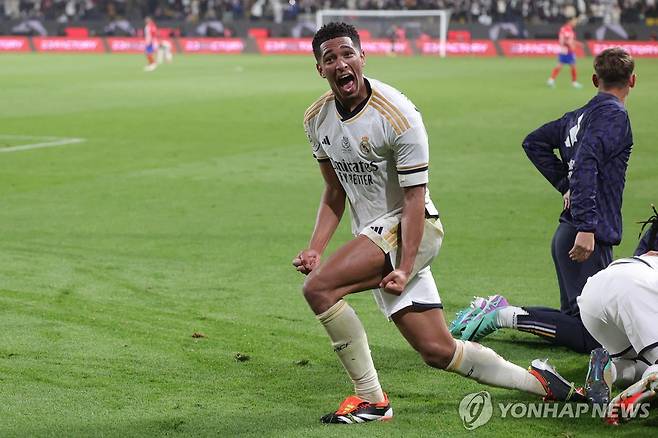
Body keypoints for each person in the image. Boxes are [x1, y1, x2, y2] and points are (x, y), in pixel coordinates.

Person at [294, 22, 583, 425]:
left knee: (319, 289)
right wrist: (315, 247)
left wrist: (405, 265)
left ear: (362, 58)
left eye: (347, 54)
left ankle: (371, 400)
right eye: (330, 58)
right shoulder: (316, 119)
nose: (340, 63)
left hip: (414, 229)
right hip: (375, 237)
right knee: (437, 350)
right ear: (319, 69)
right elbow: (334, 192)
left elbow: (414, 198)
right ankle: (543, 384)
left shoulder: (398, 115)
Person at [452, 47, 636, 355]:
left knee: (578, 322)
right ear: (632, 81)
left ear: (594, 79)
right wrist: (587, 225)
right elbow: (587, 160)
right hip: (584, 235)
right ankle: (500, 315)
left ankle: (497, 311)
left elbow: (534, 142)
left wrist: (566, 185)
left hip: (572, 232)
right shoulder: (614, 116)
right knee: (592, 336)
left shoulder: (579, 116)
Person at [547, 16, 582, 89]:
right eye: (574, 21)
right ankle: (574, 82)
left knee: (561, 65)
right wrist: (570, 45)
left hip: (565, 50)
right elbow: (565, 40)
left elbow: (569, 40)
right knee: (572, 66)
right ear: (570, 21)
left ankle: (551, 80)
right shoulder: (566, 29)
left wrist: (577, 43)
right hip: (567, 51)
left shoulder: (568, 29)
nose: (575, 23)